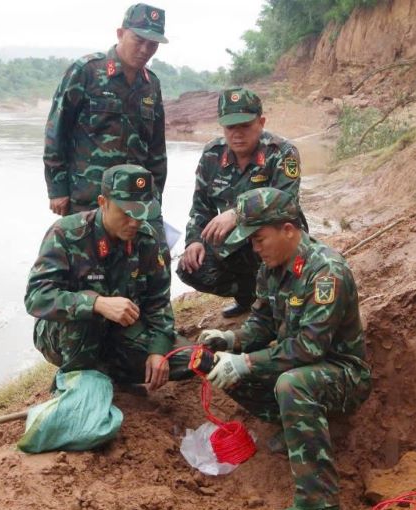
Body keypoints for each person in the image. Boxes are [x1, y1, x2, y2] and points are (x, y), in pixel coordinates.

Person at [198, 187, 371, 510]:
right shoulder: (271, 267)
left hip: (342, 373)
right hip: (302, 365)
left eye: (260, 238)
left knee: (292, 383)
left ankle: (319, 502)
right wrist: (231, 341)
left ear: (288, 229)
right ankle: (293, 428)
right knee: (219, 366)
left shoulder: (326, 272)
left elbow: (309, 347)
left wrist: (246, 361)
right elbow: (261, 323)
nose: (255, 247)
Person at [25, 164, 204, 389]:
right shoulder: (66, 234)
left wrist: (158, 352)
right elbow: (36, 297)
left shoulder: (148, 241)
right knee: (85, 319)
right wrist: (96, 303)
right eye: (127, 213)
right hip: (66, 334)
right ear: (103, 202)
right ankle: (74, 383)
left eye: (141, 214)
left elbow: (158, 305)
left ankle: (109, 374)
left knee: (192, 359)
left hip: (121, 331)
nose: (134, 223)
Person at [177, 87, 307, 318]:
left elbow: (286, 203)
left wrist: (238, 212)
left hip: (273, 233)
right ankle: (250, 296)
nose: (237, 134)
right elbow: (201, 207)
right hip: (234, 241)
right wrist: (194, 241)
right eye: (230, 127)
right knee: (190, 267)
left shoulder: (281, 152)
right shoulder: (211, 155)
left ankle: (279, 300)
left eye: (245, 126)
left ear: (261, 122)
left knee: (278, 254)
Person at [44, 3, 168, 239]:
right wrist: (57, 189)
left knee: (137, 268)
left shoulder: (151, 85)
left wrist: (155, 197)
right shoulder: (86, 71)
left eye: (152, 44)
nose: (145, 49)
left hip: (136, 201)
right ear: (120, 33)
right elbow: (56, 131)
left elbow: (156, 149)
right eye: (138, 40)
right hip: (89, 197)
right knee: (86, 268)